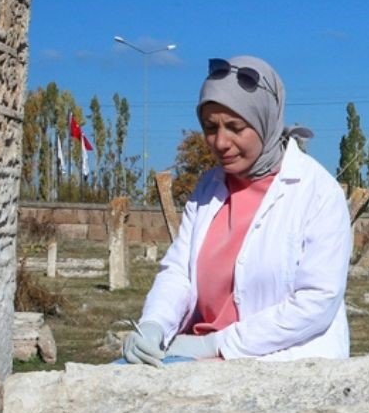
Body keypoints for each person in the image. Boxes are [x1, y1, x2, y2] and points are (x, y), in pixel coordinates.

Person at [121, 55, 352, 365]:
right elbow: (179, 272)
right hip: (196, 352)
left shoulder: (318, 193)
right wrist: (154, 325)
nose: (220, 142)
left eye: (235, 127)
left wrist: (217, 344)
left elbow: (316, 301)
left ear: (265, 120)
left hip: (281, 362)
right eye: (210, 127)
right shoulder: (208, 188)